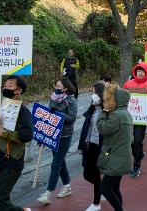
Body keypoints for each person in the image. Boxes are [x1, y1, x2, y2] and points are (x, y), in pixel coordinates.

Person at [0, 76, 33, 211]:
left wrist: (4, 133)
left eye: (9, 86)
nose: (5, 88)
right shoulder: (1, 107)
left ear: (18, 91)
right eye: (4, 85)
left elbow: (27, 135)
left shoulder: (23, 111)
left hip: (11, 161)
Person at [37, 77, 78, 204]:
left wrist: (59, 115)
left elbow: (72, 118)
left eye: (59, 86)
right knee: (60, 162)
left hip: (65, 136)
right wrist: (43, 135)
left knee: (56, 164)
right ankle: (67, 186)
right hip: (53, 135)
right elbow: (49, 116)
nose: (56, 87)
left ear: (65, 88)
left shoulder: (71, 101)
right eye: (56, 85)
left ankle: (48, 193)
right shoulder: (53, 98)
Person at [97, 83, 133, 211]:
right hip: (122, 156)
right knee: (114, 188)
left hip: (116, 157)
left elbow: (103, 128)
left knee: (105, 188)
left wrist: (103, 113)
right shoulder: (125, 113)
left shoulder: (116, 115)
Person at [123, 62, 147, 178]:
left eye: (142, 71)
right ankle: (139, 155)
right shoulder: (128, 84)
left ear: (146, 72)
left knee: (137, 141)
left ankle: (137, 165)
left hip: (141, 120)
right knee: (130, 142)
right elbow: (123, 99)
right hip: (129, 118)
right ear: (135, 72)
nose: (140, 73)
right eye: (138, 71)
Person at [80, 83, 105, 211]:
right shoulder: (92, 108)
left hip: (100, 146)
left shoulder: (106, 110)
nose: (93, 95)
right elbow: (86, 127)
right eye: (92, 92)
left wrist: (101, 105)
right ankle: (103, 189)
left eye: (95, 92)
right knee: (86, 174)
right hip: (88, 144)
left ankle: (96, 203)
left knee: (95, 174)